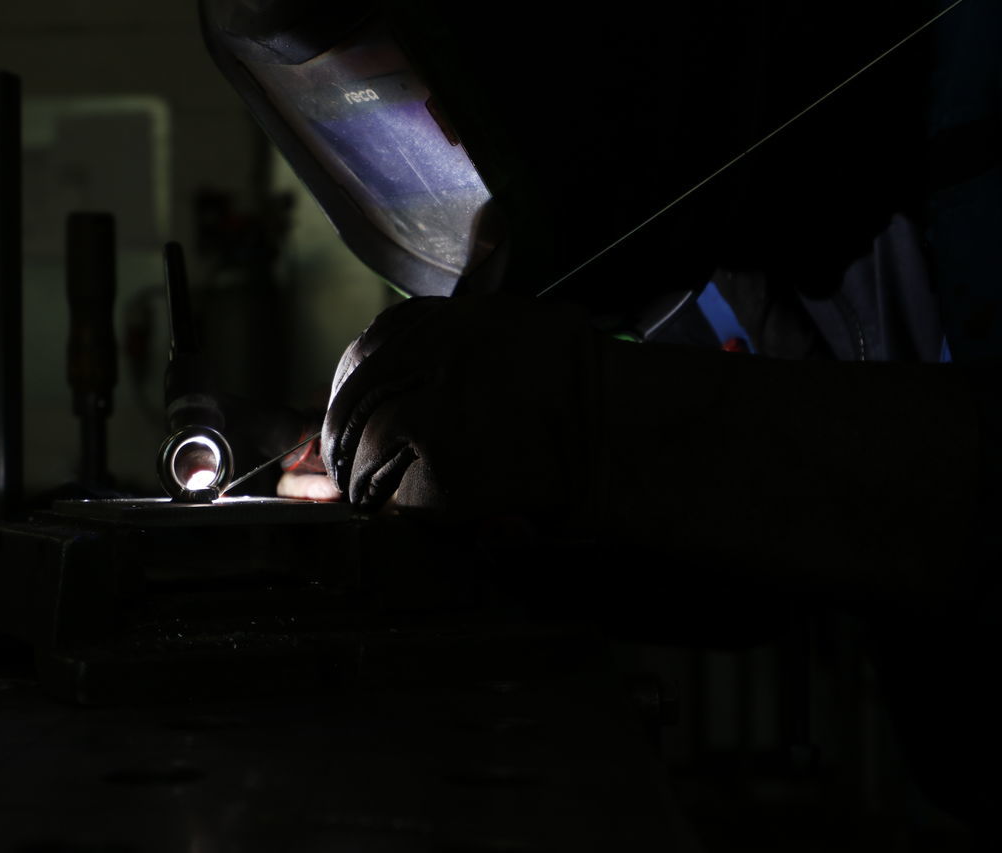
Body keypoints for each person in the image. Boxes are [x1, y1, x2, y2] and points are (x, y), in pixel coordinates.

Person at [202, 0, 1002, 838]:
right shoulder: (743, 213)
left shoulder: (963, 82)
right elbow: (754, 585)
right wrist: (451, 510)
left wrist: (598, 428)